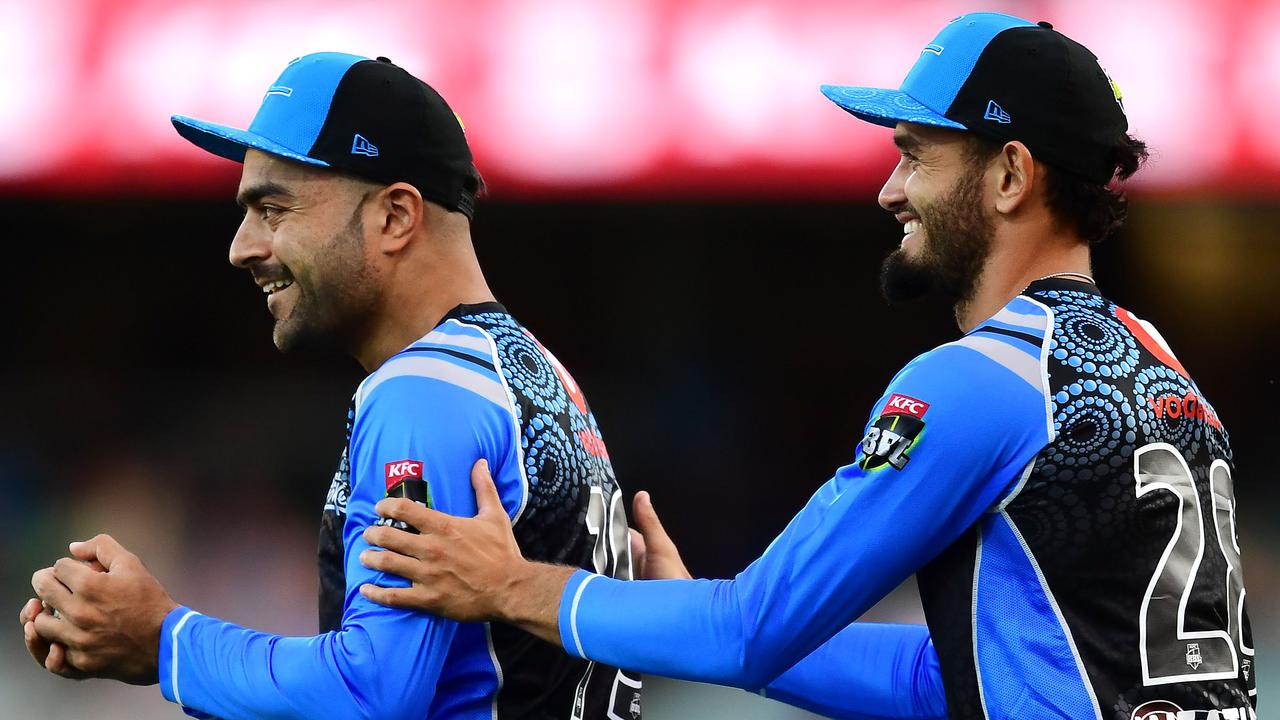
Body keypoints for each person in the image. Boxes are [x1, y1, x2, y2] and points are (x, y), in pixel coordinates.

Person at [352, 13, 1257, 720]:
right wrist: (690, 617)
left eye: (915, 156)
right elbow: (948, 676)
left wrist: (510, 585)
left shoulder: (982, 381)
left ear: (1011, 175)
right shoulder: (1160, 367)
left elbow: (750, 632)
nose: (888, 190)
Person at [17, 52, 642, 720]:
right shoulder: (537, 373)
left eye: (274, 208)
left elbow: (372, 693)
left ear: (396, 217)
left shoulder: (423, 391)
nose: (242, 246)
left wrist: (164, 642)